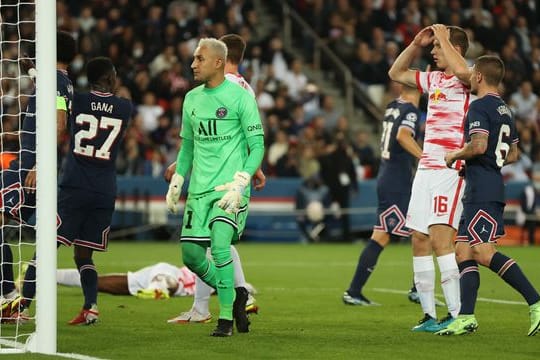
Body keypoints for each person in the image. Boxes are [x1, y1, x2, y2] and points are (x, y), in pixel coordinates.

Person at [9, 57, 132, 325]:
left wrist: (42, 81)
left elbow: (58, 111)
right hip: (104, 190)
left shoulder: (78, 101)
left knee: (46, 247)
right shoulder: (125, 107)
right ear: (112, 78)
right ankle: (91, 307)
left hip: (75, 186)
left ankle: (22, 307)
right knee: (83, 253)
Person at [165, 38, 264, 337]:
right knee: (191, 256)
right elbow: (188, 148)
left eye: (199, 58)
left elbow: (257, 145)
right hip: (199, 190)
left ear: (218, 62)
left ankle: (224, 320)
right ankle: (235, 294)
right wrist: (178, 179)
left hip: (229, 189)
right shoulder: (192, 99)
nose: (193, 64)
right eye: (194, 58)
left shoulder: (240, 96)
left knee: (220, 246)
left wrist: (242, 180)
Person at [438, 55, 540, 336]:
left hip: (483, 189)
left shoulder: (479, 107)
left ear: (480, 77)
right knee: (462, 250)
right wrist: (484, 164)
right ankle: (466, 317)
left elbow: (479, 145)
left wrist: (455, 156)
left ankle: (536, 303)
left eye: (472, 72)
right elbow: (514, 154)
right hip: (483, 185)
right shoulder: (507, 110)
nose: (469, 75)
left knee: (483, 251)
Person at [388, 24, 472, 332]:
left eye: (437, 47)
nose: (433, 52)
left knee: (440, 240)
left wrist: (446, 39)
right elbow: (396, 73)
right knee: (419, 239)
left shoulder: (469, 77)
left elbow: (463, 73)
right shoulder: (433, 78)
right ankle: (428, 315)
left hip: (450, 170)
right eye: (433, 47)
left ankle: (457, 314)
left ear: (454, 48)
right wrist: (414, 43)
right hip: (426, 168)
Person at [0, 31, 75, 322]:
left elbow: (58, 123)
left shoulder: (55, 82)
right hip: (32, 166)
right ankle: (13, 300)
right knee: (44, 234)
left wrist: (39, 164)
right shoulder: (59, 81)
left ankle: (8, 296)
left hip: (29, 167)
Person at [342, 82, 422, 305]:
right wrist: (425, 157)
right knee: (421, 232)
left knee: (392, 233)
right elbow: (403, 136)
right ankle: (418, 289)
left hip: (387, 176)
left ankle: (355, 291)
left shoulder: (392, 106)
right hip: (397, 181)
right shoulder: (411, 111)